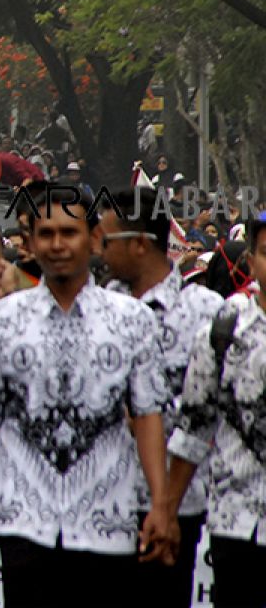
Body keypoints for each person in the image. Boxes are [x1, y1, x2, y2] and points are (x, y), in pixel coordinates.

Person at [0, 190, 174, 607]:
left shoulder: (132, 319)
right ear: (31, 240)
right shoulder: (0, 321)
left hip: (107, 515)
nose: (57, 245)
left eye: (69, 233)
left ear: (94, 239)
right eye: (46, 233)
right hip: (23, 517)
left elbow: (148, 415)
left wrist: (160, 506)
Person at [98, 187, 224, 608]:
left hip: (176, 503)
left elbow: (205, 414)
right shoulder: (98, 306)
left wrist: (165, 504)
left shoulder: (203, 310)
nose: (97, 248)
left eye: (105, 238)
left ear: (138, 244)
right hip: (100, 505)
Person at [166, 216, 266, 607]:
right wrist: (167, 511)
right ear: (252, 261)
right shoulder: (223, 329)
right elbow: (193, 426)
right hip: (234, 524)